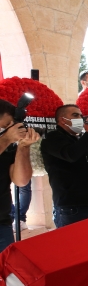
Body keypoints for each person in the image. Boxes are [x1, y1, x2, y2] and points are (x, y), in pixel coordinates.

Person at [41, 104, 88, 228]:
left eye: (81, 115)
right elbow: (71, 155)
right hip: (70, 209)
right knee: (72, 246)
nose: (80, 118)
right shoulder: (52, 138)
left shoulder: (78, 140)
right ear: (62, 119)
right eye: (75, 115)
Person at [0, 100, 39, 251]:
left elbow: (21, 181)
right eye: (5, 126)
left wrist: (24, 147)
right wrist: (7, 138)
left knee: (8, 273)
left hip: (2, 224)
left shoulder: (8, 147)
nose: (11, 130)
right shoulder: (6, 140)